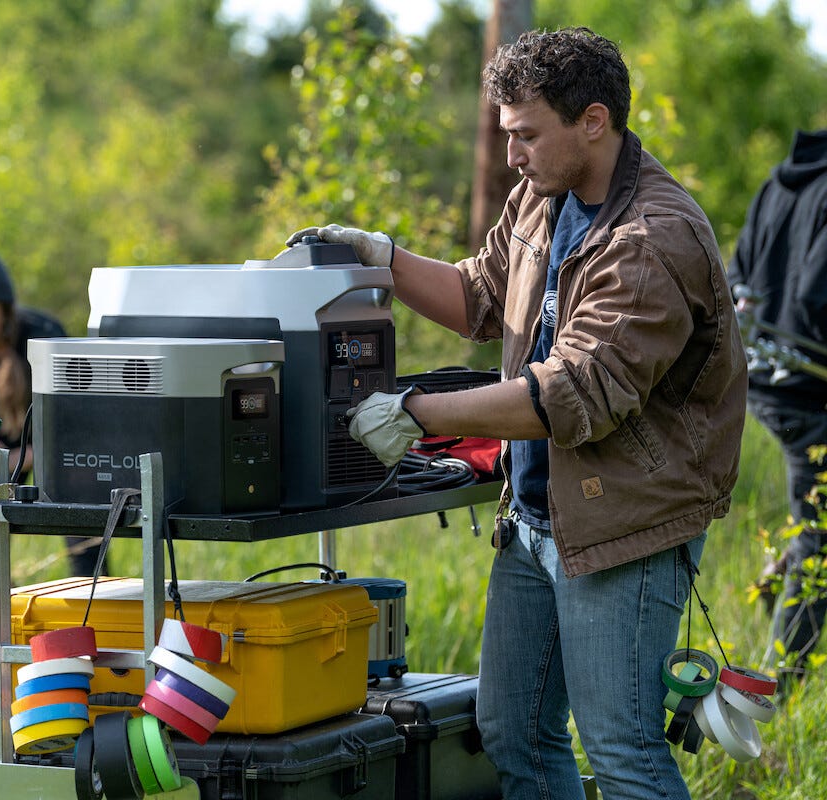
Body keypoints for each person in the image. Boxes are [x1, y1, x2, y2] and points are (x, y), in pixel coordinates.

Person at [288, 28, 747, 800]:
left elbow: (573, 393)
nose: (512, 155)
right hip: (534, 518)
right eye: (507, 134)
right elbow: (479, 296)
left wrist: (417, 411)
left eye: (526, 134)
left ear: (593, 122)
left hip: (625, 527)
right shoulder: (542, 195)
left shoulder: (652, 240)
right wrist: (384, 260)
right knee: (514, 733)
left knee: (623, 750)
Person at [0, 240, 104, 586]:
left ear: (5, 312)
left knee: (78, 514)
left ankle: (90, 595)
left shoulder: (43, 336)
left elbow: (73, 427)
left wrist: (17, 458)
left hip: (53, 432)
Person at [726, 129, 827, 691]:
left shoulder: (777, 182)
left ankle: (774, 578)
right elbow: (815, 294)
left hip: (760, 383)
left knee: (813, 519)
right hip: (809, 394)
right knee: (821, 536)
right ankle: (778, 687)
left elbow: (735, 276)